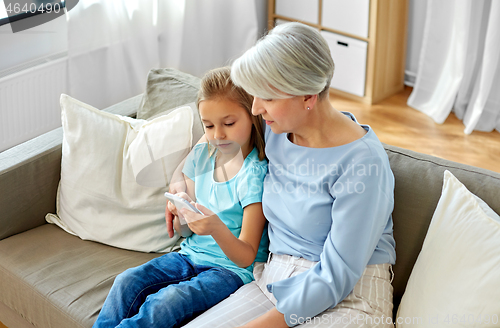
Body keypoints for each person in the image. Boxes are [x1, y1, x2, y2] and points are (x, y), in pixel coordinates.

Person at [175, 22, 396, 328]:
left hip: (349, 297)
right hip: (273, 281)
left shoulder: (363, 164)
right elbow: (217, 133)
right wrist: (178, 185)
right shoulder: (276, 128)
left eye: (266, 97)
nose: (255, 108)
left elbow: (337, 275)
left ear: (308, 95)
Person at [92, 67, 269, 328]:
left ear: (252, 115)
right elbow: (184, 226)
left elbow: (246, 257)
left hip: (229, 272)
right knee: (127, 281)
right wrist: (180, 208)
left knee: (165, 303)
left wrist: (216, 228)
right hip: (188, 255)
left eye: (229, 124)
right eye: (208, 125)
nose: (218, 135)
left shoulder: (253, 175)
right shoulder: (205, 152)